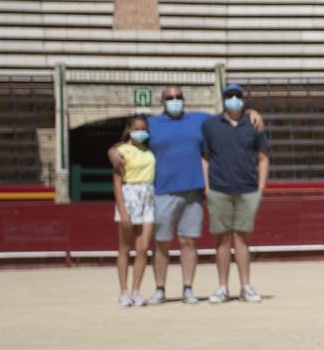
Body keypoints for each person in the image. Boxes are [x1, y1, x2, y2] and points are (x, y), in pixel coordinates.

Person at [109, 86, 265, 305]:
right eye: (170, 98)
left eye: (179, 97)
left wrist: (251, 112)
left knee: (189, 241)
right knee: (161, 243)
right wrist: (114, 149)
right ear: (161, 100)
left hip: (193, 190)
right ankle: (160, 288)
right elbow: (132, 139)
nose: (175, 101)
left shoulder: (199, 120)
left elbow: (228, 118)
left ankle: (187, 288)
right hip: (162, 191)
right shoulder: (152, 123)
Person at [200, 81, 271, 303]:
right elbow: (205, 158)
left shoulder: (254, 125)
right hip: (219, 189)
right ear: (223, 99)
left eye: (237, 95)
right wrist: (207, 187)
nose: (234, 99)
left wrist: (260, 187)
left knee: (242, 239)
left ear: (243, 98)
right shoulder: (211, 125)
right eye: (229, 95)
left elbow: (263, 157)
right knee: (222, 240)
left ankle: (245, 286)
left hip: (247, 189)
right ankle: (222, 287)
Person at [111, 115, 155, 308]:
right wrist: (123, 210)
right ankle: (123, 291)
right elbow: (117, 181)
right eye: (137, 128)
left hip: (148, 195)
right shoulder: (121, 151)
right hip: (130, 195)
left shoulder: (148, 150)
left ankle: (136, 291)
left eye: (144, 128)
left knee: (143, 248)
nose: (141, 132)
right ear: (129, 129)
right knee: (124, 248)